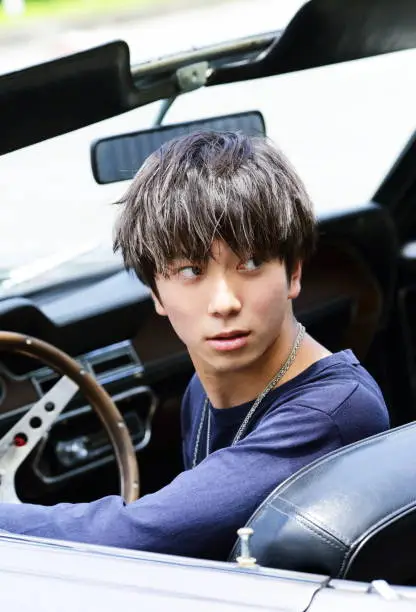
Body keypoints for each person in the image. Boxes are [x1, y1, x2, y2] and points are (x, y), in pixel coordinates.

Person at [0, 131, 389, 560]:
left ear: (293, 274)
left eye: (252, 263)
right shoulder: (203, 389)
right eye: (190, 270)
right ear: (156, 292)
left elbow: (133, 536)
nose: (224, 302)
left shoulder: (334, 412)